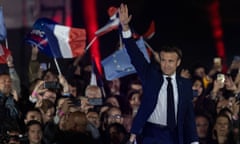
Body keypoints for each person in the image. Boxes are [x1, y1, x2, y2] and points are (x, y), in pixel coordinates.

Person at [118, 3, 199, 144]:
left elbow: (188, 116)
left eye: (170, 61)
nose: (166, 65)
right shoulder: (151, 76)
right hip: (152, 134)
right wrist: (125, 28)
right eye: (163, 60)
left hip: (175, 136)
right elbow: (135, 55)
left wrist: (194, 141)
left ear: (178, 62)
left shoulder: (185, 84)